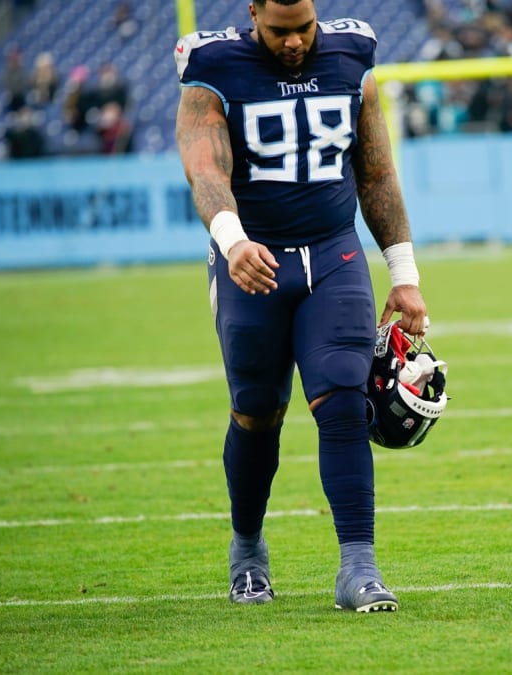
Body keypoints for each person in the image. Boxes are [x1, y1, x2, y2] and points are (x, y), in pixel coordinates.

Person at [173, 0, 428, 612]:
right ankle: (248, 550)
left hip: (335, 255)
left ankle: (359, 569)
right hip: (253, 259)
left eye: (304, 29)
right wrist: (232, 242)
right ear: (253, 12)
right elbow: (204, 166)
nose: (294, 43)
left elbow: (376, 171)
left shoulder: (351, 54)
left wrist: (404, 272)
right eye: (280, 31)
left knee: (343, 397)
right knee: (257, 411)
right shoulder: (213, 63)